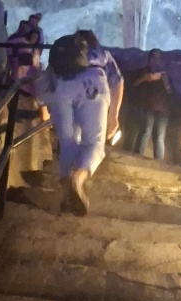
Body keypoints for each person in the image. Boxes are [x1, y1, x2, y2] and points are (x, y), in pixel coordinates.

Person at [27, 30, 122, 216]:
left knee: (68, 144)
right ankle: (77, 179)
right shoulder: (101, 53)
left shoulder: (62, 58)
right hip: (92, 86)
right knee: (94, 143)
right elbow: (118, 82)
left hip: (62, 90)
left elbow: (45, 83)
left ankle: (66, 194)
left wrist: (44, 109)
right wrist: (114, 116)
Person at [129, 49, 172, 161]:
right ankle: (137, 158)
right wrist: (144, 79)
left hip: (162, 110)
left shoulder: (165, 74)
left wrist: (165, 81)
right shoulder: (143, 72)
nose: (155, 60)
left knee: (159, 136)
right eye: (153, 57)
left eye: (157, 58)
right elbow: (132, 86)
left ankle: (158, 163)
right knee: (145, 131)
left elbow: (170, 92)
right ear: (149, 59)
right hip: (147, 107)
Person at [7, 11, 44, 82]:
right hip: (18, 55)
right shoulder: (21, 35)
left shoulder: (36, 31)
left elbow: (36, 43)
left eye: (35, 22)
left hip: (22, 55)